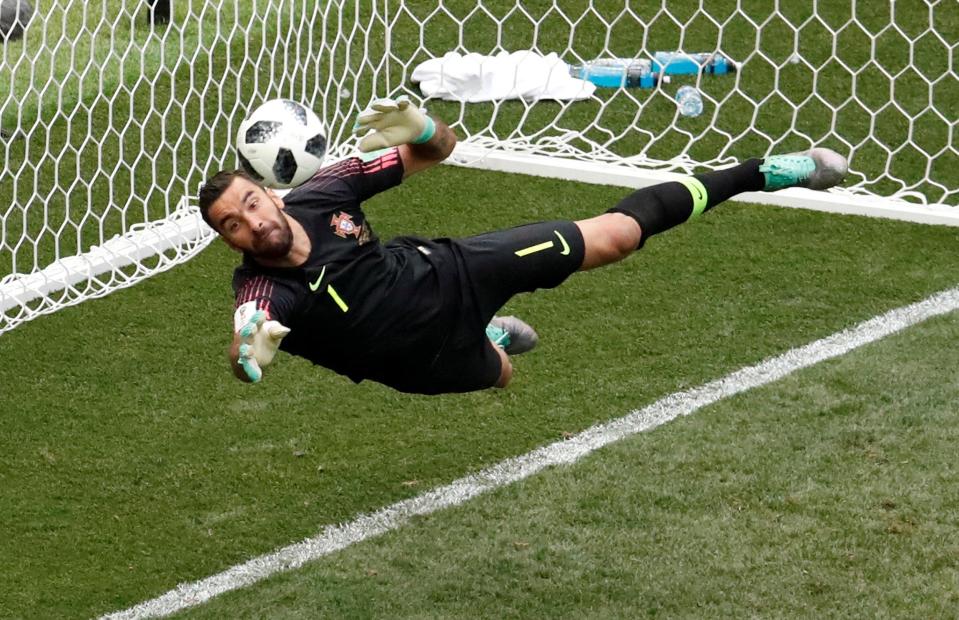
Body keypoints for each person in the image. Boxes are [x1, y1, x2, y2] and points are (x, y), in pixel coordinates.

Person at [198, 95, 848, 394]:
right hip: (413, 363)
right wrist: (245, 348)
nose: (251, 224)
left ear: (270, 194)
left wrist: (422, 125)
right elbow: (246, 351)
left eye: (250, 205)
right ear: (230, 241)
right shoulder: (262, 291)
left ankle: (760, 172)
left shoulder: (326, 192)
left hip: (451, 273)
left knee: (616, 237)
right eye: (234, 225)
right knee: (501, 375)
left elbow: (436, 151)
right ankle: (491, 338)